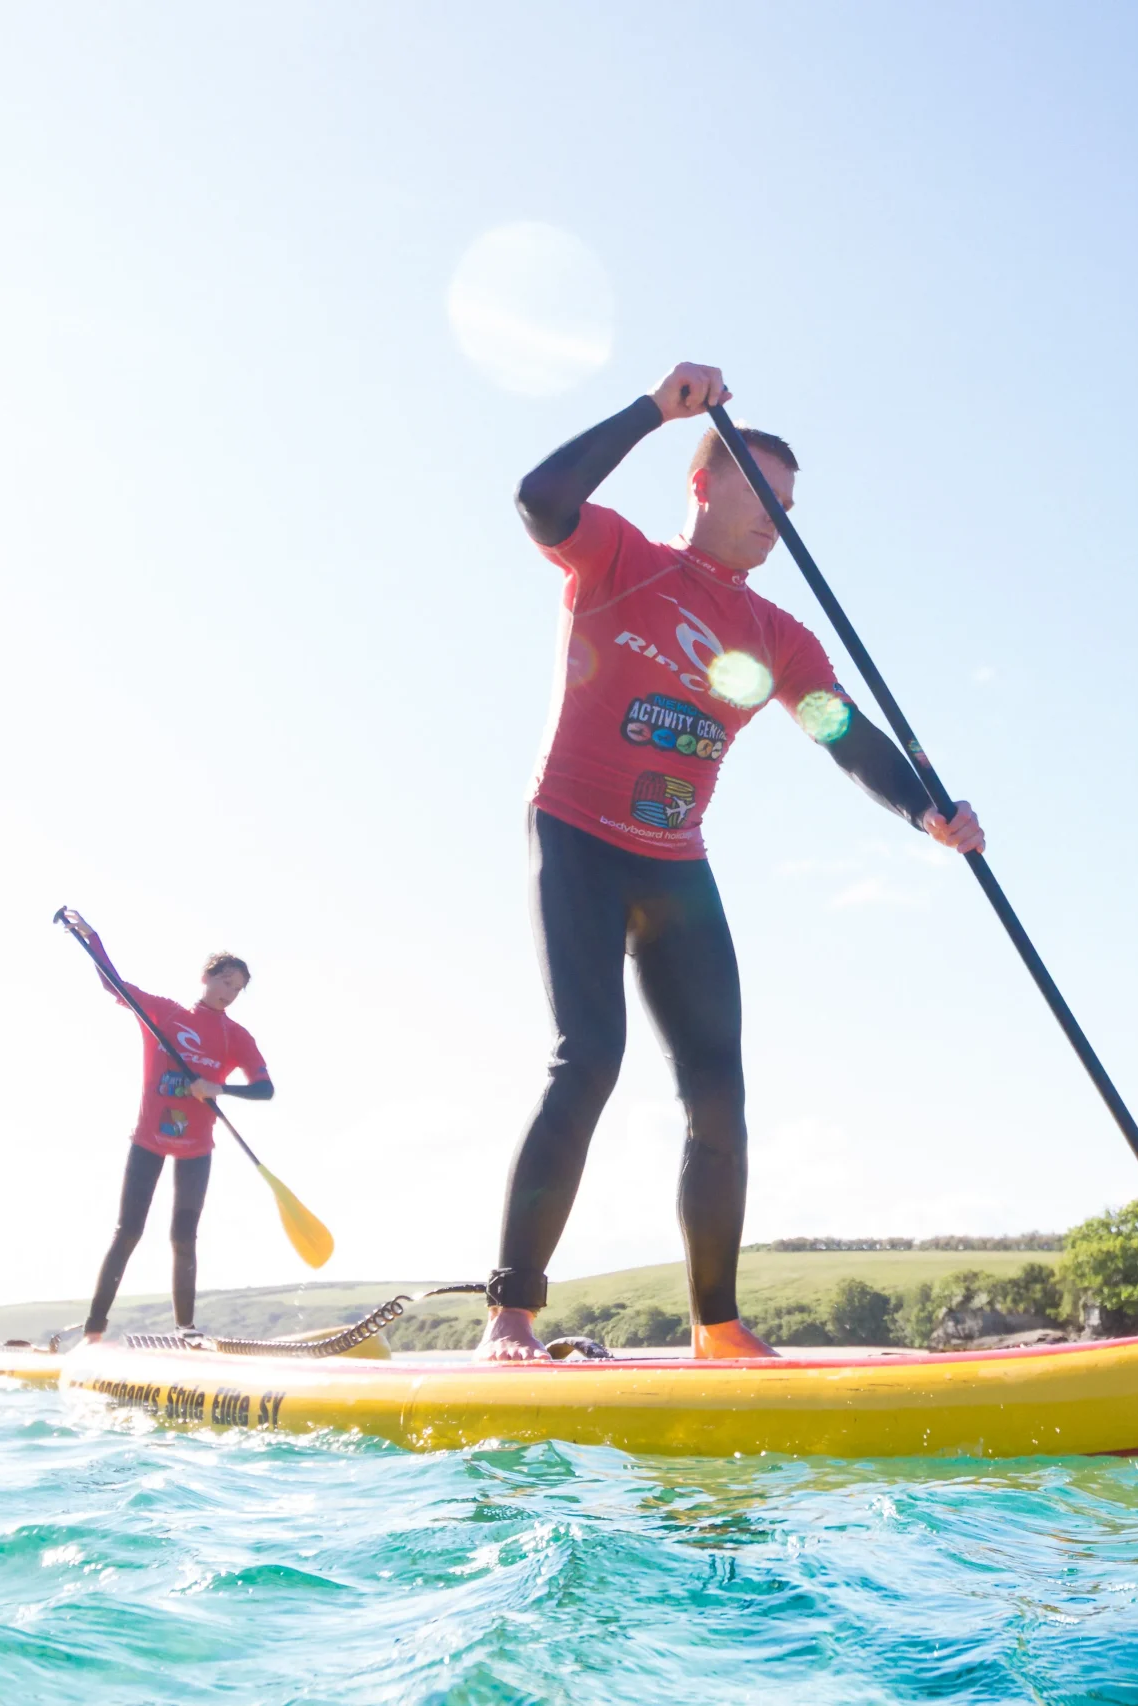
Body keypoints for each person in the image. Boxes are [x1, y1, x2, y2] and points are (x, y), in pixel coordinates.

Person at [480, 361, 986, 1362]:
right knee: (587, 1057)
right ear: (702, 485)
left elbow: (843, 733)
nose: (778, 523)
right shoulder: (620, 556)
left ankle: (718, 1322)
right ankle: (511, 1310)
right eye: (762, 497)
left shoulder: (778, 634)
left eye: (791, 510)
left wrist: (928, 807)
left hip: (674, 862)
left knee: (718, 1092)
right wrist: (653, 412)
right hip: (577, 835)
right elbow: (539, 498)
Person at [69, 917, 274, 1341]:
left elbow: (265, 1089)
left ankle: (186, 1331)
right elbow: (114, 984)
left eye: (238, 989)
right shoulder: (164, 1013)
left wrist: (218, 1088)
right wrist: (92, 939)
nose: (230, 994)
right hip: (148, 1140)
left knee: (184, 1238)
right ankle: (93, 1332)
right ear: (207, 977)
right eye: (226, 983)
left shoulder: (236, 1036)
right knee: (128, 1232)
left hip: (196, 1149)